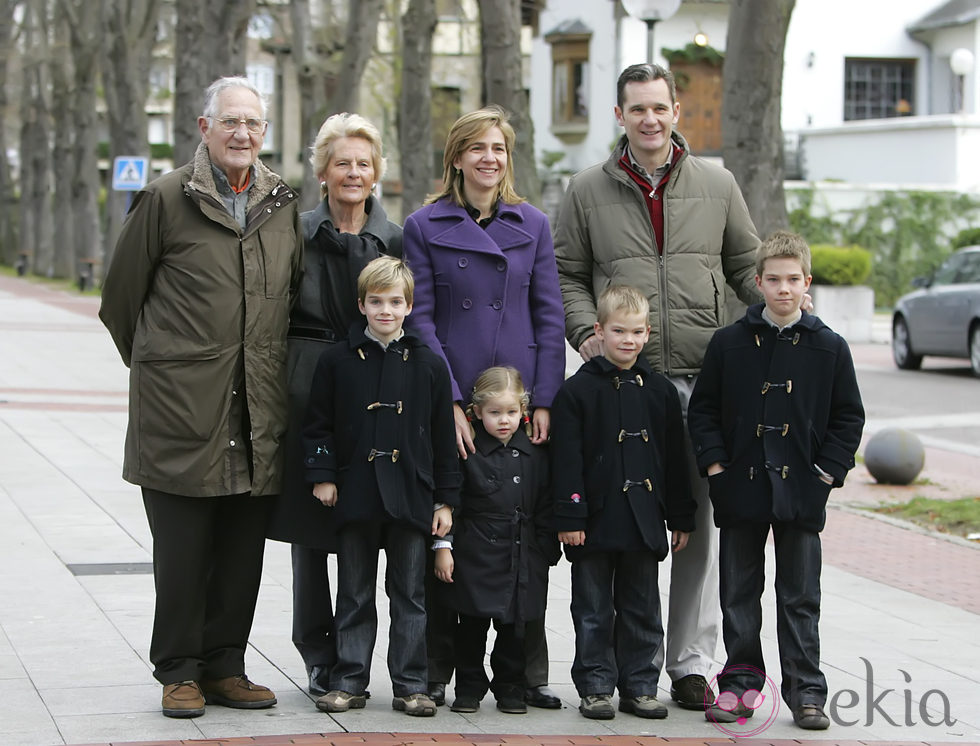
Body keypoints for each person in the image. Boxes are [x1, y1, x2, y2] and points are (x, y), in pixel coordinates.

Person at [552, 62, 764, 711]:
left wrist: (781, 320)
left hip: (703, 383)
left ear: (677, 111)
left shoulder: (719, 185)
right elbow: (564, 274)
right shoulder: (586, 190)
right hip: (623, 383)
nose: (649, 119)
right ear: (619, 116)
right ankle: (618, 664)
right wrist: (588, 336)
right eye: (636, 108)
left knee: (699, 521)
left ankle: (690, 663)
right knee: (624, 519)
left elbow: (748, 267)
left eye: (659, 107)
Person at [99, 76, 302, 718]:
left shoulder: (281, 204)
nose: (243, 134)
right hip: (180, 413)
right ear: (203, 127)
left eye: (254, 124)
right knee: (184, 554)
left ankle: (225, 667)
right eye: (231, 122)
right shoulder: (165, 198)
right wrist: (166, 371)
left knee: (242, 554)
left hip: (257, 408)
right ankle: (178, 671)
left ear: (263, 134)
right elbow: (119, 301)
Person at [402, 105, 566, 709]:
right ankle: (443, 668)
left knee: (520, 528)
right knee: (454, 531)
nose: (489, 159)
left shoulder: (534, 224)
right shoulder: (424, 225)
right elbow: (419, 318)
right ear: (457, 157)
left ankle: (526, 674)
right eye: (477, 148)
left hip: (516, 402)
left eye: (498, 148)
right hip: (456, 399)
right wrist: (447, 398)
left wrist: (543, 399)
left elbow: (550, 317)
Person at [688, 232, 865, 730]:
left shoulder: (829, 347)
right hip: (740, 486)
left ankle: (806, 692)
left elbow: (848, 418)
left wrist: (826, 474)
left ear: (807, 282)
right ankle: (740, 687)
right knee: (738, 594)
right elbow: (703, 412)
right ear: (758, 282)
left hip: (803, 489)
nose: (783, 289)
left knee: (800, 596)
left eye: (793, 280)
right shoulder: (729, 343)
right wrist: (717, 468)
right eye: (773, 279)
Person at [266, 112, 402, 698]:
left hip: (373, 392)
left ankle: (361, 654)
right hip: (305, 383)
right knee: (309, 529)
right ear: (322, 171)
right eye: (341, 162)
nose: (353, 172)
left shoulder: (395, 239)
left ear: (377, 174)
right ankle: (317, 651)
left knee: (367, 524)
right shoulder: (292, 231)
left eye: (363, 163)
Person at [303, 256, 460, 718]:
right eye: (376, 301)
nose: (385, 310)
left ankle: (411, 684)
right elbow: (318, 425)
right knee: (353, 592)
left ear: (409, 306)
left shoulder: (429, 365)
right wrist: (323, 475)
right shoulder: (336, 360)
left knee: (410, 595)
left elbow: (442, 441)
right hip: (356, 492)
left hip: (411, 496)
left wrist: (445, 501)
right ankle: (349, 680)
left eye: (395, 301)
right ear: (361, 304)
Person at [550, 285, 696, 721]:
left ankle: (640, 686)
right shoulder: (577, 391)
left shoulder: (660, 392)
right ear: (599, 330)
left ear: (648, 333)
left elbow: (674, 460)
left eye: (636, 331)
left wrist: (681, 514)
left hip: (643, 520)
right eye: (618, 331)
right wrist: (571, 513)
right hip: (592, 521)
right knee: (593, 609)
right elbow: (566, 458)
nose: (628, 340)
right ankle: (595, 686)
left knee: (642, 609)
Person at [433, 367, 561, 715]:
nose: (503, 421)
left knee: (515, 628)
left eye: (511, 412)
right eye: (494, 413)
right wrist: (444, 548)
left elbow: (548, 500)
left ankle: (510, 687)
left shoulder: (537, 453)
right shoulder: (468, 451)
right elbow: (451, 501)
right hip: (475, 552)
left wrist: (547, 548)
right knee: (471, 625)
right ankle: (469, 687)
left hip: (523, 552)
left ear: (524, 411)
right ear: (476, 413)